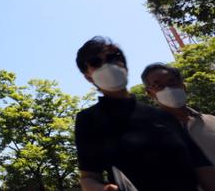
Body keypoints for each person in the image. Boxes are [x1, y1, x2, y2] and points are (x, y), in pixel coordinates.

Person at [73, 36, 215, 191]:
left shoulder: (164, 116)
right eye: (95, 62)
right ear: (88, 77)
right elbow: (88, 178)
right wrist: (104, 189)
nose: (109, 64)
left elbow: (201, 166)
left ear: (125, 66)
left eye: (115, 57)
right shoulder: (89, 119)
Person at [142, 62, 215, 164]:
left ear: (183, 86)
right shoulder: (149, 136)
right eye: (158, 85)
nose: (168, 88)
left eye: (171, 82)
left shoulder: (212, 121)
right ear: (150, 93)